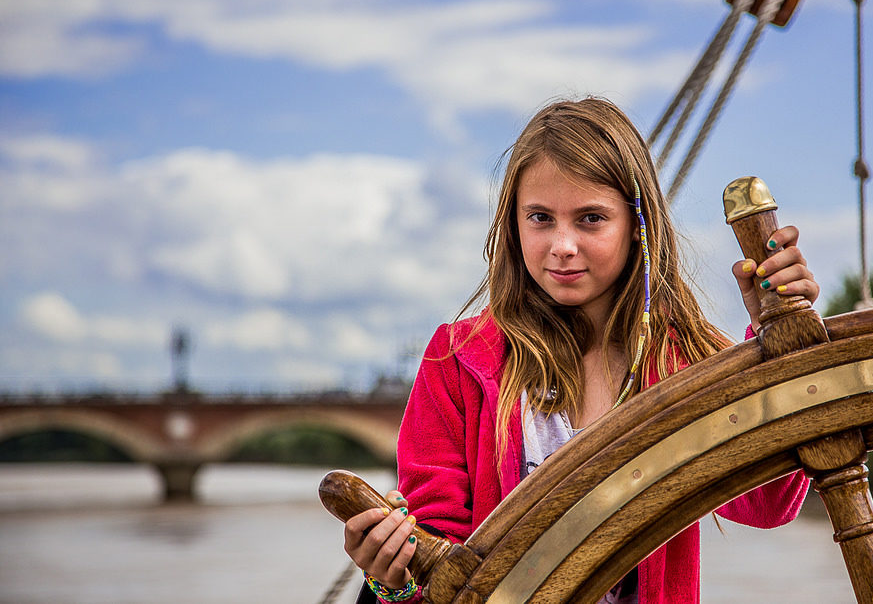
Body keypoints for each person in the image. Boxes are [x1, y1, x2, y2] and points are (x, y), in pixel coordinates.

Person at [344, 97, 818, 603]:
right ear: (513, 224)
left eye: (591, 218)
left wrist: (775, 346)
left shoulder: (687, 361)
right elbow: (442, 558)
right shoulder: (457, 360)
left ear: (639, 228)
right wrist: (391, 577)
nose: (562, 244)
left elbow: (767, 502)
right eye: (541, 218)